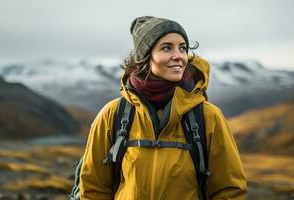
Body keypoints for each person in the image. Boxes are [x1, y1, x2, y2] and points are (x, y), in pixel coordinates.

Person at [78, 16, 247, 200]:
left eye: (183, 48)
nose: (179, 56)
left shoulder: (208, 116)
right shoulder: (113, 114)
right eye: (167, 47)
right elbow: (93, 188)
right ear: (145, 56)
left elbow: (229, 191)